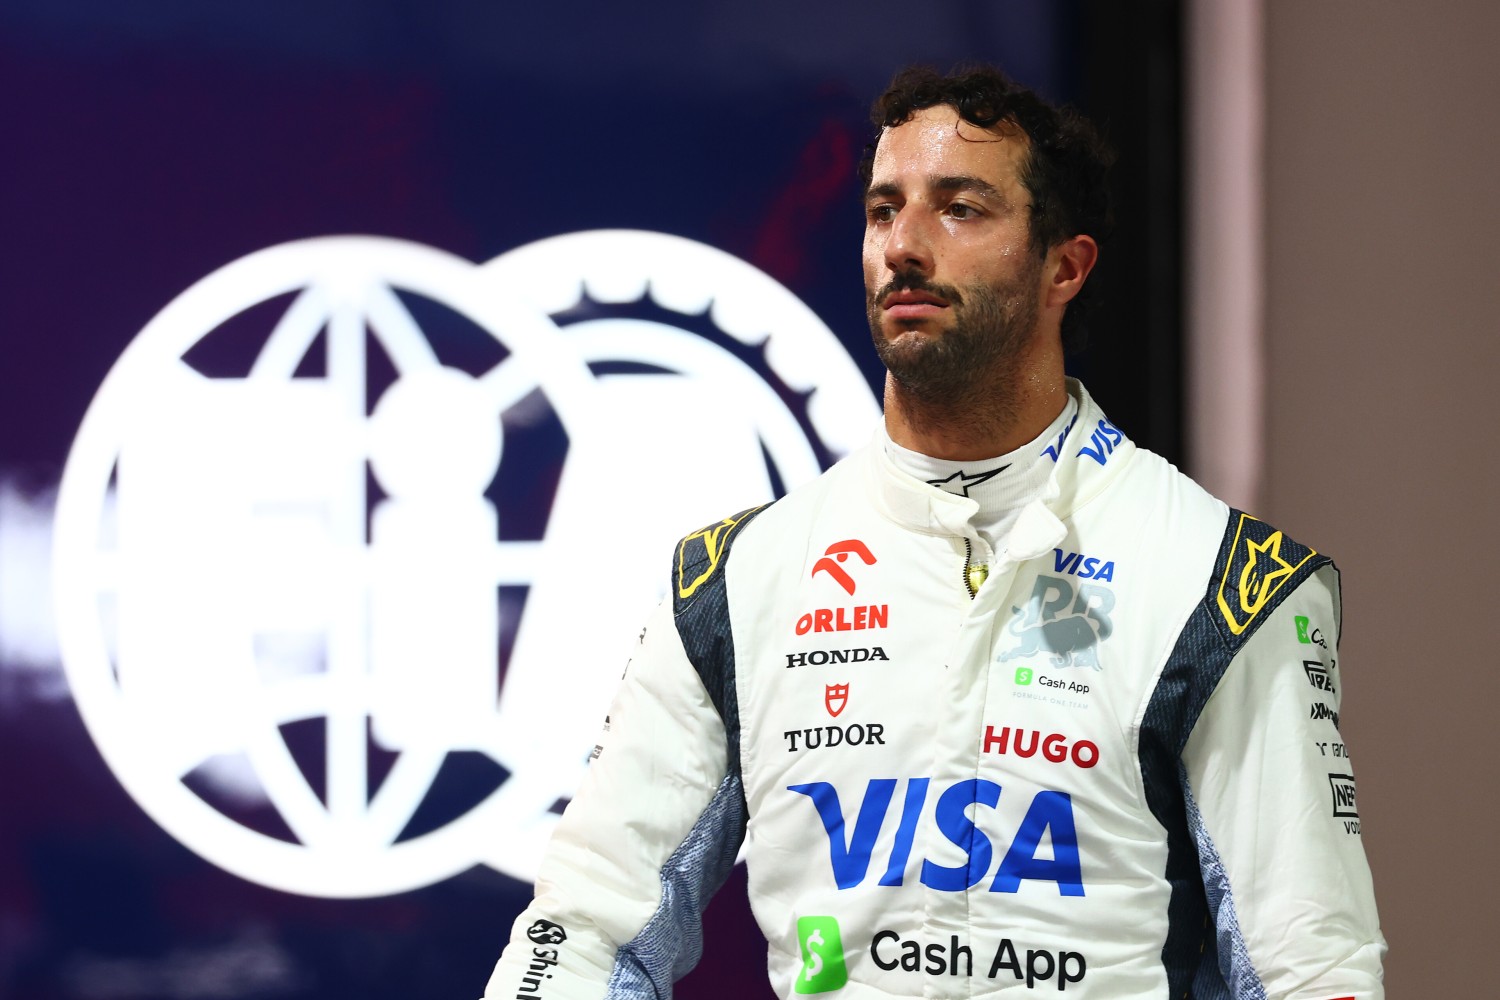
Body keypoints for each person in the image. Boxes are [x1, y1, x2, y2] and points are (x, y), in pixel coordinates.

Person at [480, 64, 1385, 999]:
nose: (905, 246)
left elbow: (1313, 967)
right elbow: (584, 929)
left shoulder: (1226, 581)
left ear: (1063, 267)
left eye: (960, 210)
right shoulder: (737, 580)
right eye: (882, 211)